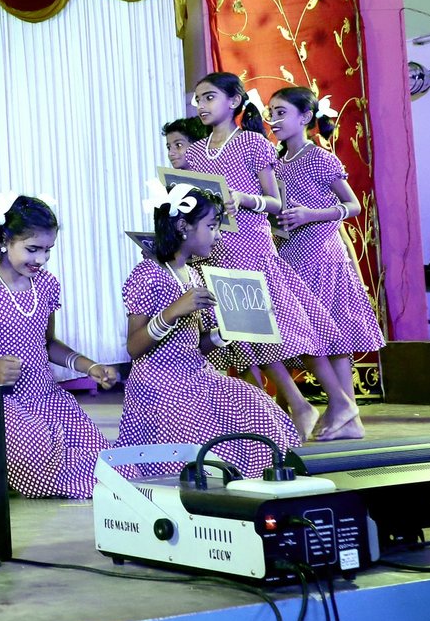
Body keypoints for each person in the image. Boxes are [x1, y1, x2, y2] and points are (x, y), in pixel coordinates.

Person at [184, 72, 355, 439]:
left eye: (209, 97)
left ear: (233, 101)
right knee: (249, 333)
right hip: (217, 249)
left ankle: (339, 402)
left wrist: (244, 199)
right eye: (198, 99)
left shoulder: (252, 143)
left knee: (288, 327)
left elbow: (275, 202)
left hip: (252, 246)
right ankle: (299, 405)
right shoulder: (196, 152)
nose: (201, 105)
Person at [0, 195, 124, 500]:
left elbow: (48, 343)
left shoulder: (47, 284)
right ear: (5, 240)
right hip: (4, 403)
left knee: (105, 462)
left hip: (47, 397)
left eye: (47, 250)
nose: (40, 259)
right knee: (37, 457)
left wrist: (90, 366)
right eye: (33, 249)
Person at [116, 184, 299, 476]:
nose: (218, 236)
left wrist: (225, 332)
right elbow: (134, 347)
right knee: (206, 445)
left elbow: (197, 346)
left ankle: (264, 477)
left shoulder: (193, 274)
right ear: (183, 227)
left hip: (197, 374)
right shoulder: (148, 273)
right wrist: (173, 311)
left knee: (255, 404)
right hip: (159, 384)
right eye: (212, 227)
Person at [269, 87, 382, 439]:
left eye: (281, 112)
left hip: (322, 254)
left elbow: (353, 206)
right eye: (271, 113)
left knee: (333, 334)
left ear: (305, 117)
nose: (274, 119)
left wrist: (311, 214)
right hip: (290, 255)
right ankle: (348, 416)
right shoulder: (276, 161)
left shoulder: (319, 157)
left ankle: (346, 412)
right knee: (317, 335)